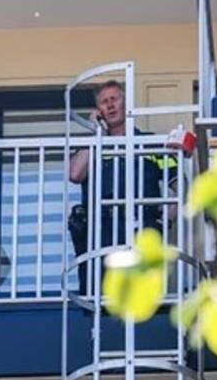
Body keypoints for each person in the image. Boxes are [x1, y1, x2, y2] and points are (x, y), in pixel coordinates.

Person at [67, 81, 177, 290]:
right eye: (104, 102)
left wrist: (163, 222)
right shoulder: (92, 147)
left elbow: (181, 188)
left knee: (142, 298)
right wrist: (96, 134)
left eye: (114, 99)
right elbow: (75, 174)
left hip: (142, 229)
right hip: (99, 234)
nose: (110, 105)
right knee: (99, 297)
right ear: (98, 111)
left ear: (126, 104)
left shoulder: (151, 144)